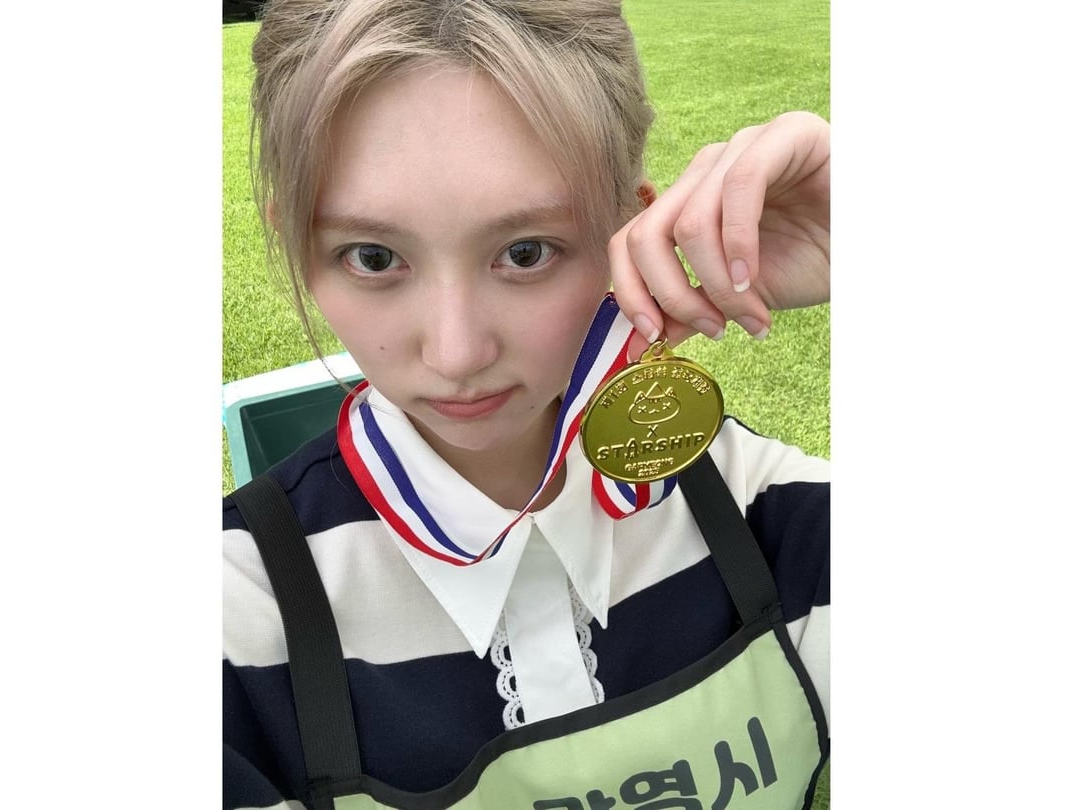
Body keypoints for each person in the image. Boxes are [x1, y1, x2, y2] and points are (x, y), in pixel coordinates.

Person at [223, 1, 830, 808]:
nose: (456, 353)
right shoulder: (234, 612)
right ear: (301, 248)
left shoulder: (760, 506)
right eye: (372, 256)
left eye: (525, 251)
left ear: (631, 229)